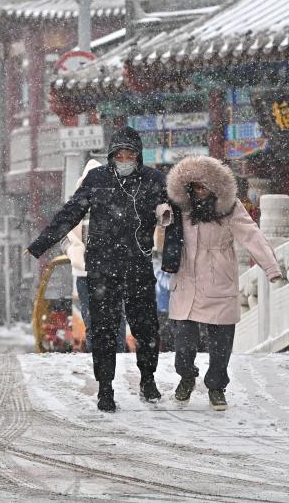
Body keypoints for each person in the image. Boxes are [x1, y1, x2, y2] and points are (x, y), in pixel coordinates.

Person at [26, 126, 181, 412]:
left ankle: (148, 379)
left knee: (146, 329)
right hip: (102, 269)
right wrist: (41, 244)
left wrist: (171, 259)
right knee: (104, 332)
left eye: (129, 154)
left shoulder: (154, 181)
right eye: (119, 155)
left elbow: (175, 220)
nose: (124, 160)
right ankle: (105, 389)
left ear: (138, 156)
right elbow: (71, 211)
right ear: (111, 156)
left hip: (137, 266)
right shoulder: (97, 180)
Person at [166, 155, 282, 411]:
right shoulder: (179, 207)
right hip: (186, 280)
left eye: (204, 187)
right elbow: (155, 218)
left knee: (220, 345)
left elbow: (251, 236)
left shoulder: (230, 207)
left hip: (218, 278)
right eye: (195, 187)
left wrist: (271, 267)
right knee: (183, 345)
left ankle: (216, 387)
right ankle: (186, 376)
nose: (199, 192)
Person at [61, 158, 127, 353]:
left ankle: (118, 360)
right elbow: (63, 239)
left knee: (117, 320)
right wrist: (73, 253)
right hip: (85, 274)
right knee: (92, 322)